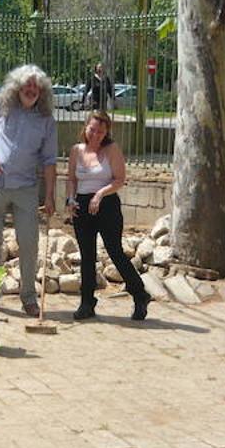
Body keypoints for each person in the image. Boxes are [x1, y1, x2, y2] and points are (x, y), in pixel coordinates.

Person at [0, 64, 58, 315]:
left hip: (26, 188)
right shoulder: (2, 106)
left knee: (29, 242)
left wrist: (51, 195)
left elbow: (50, 161)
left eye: (36, 87)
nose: (31, 90)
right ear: (17, 87)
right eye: (27, 85)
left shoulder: (46, 120)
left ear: (42, 91)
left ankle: (29, 297)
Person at [64, 110, 150, 321]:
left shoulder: (112, 150)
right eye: (93, 129)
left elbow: (120, 179)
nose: (96, 135)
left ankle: (139, 294)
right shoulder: (76, 150)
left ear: (106, 133)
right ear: (85, 128)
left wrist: (100, 194)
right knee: (87, 256)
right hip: (82, 205)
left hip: (107, 204)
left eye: (101, 131)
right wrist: (69, 200)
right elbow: (71, 179)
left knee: (115, 251)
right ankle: (87, 302)